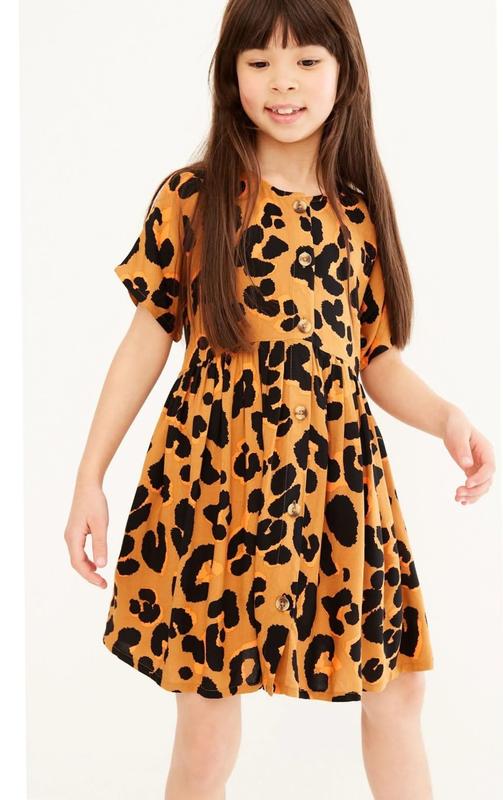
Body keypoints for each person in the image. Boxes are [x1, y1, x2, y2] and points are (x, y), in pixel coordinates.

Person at [64, 1, 495, 798]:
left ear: (344, 72)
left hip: (335, 479)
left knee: (397, 685)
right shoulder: (194, 197)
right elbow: (145, 340)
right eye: (259, 63)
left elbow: (372, 358)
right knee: (206, 708)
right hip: (215, 475)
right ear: (230, 75)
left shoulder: (355, 214)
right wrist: (90, 477)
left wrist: (445, 417)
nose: (282, 83)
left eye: (305, 62)